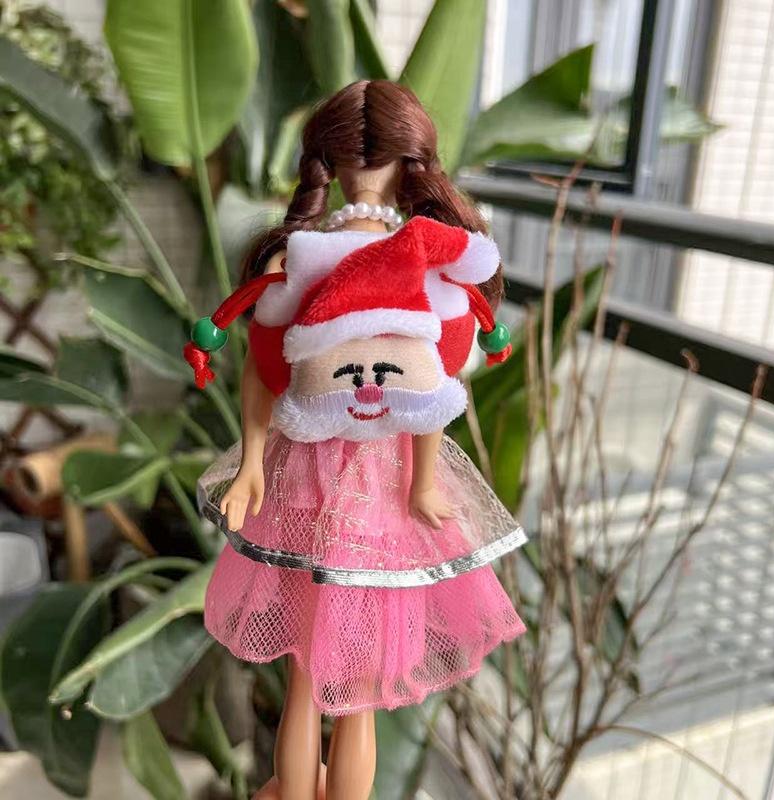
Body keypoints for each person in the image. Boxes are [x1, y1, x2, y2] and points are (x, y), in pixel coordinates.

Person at [185, 80, 527, 800]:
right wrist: (423, 482)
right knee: (359, 690)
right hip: (383, 483)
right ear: (411, 165)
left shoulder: (297, 257)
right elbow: (432, 395)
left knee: (306, 680)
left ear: (328, 164)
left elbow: (263, 373)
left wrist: (253, 463)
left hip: (307, 474)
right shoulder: (424, 261)